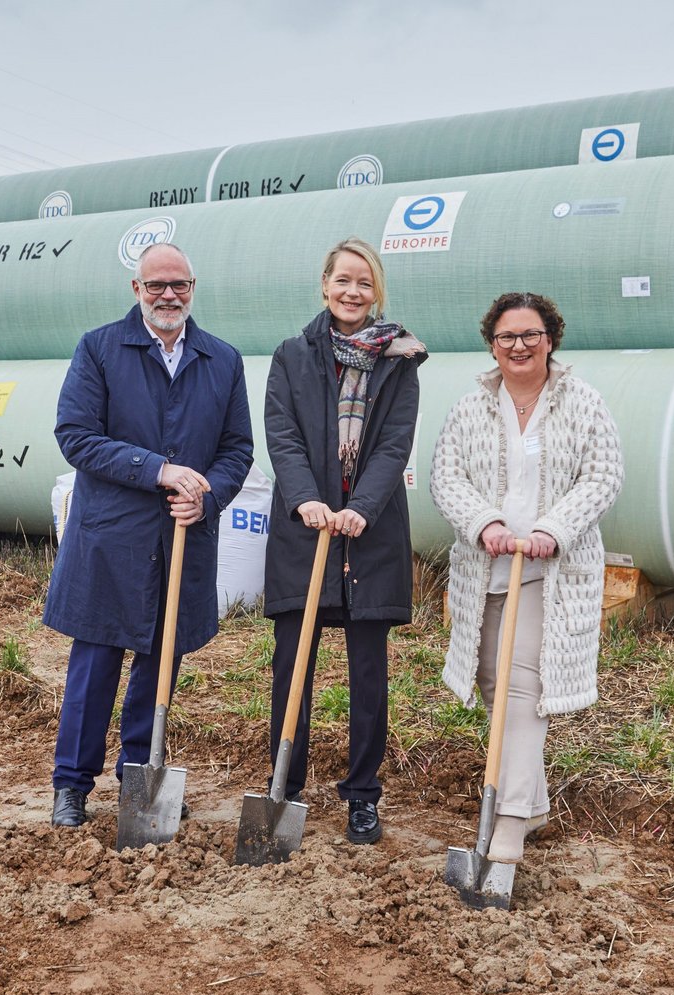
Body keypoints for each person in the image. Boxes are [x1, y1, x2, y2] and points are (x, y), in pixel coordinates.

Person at [44, 242, 254, 828]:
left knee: (159, 664)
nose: (169, 295)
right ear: (136, 290)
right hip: (110, 540)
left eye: (179, 285)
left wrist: (205, 491)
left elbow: (238, 448)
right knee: (96, 663)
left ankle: (140, 779)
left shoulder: (222, 359)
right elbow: (76, 435)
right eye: (156, 285)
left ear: (193, 288)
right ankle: (72, 785)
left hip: (180, 539)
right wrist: (157, 471)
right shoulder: (101, 349)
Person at [430, 292, 624, 863]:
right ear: (493, 344)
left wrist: (553, 528)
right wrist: (483, 523)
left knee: (522, 692)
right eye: (507, 337)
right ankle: (534, 804)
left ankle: (509, 823)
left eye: (530, 335)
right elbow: (447, 477)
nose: (519, 346)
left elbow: (603, 477)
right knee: (492, 682)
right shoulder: (471, 408)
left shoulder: (582, 402)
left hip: (550, 574)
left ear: (550, 338)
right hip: (486, 568)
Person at [262, 237, 427, 845]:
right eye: (342, 280)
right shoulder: (292, 355)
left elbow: (394, 444)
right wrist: (306, 498)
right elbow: (281, 432)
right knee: (292, 667)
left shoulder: (400, 359)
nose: (352, 291)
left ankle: (362, 795)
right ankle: (285, 784)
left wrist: (361, 508)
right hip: (303, 534)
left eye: (364, 282)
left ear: (375, 291)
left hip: (369, 535)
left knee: (368, 674)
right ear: (324, 285)